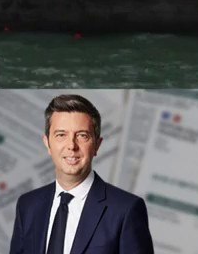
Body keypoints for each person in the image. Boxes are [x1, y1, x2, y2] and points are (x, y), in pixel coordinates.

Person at [9, 94, 153, 254]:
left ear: (97, 145)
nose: (71, 145)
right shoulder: (28, 206)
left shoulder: (126, 210)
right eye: (61, 135)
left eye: (82, 136)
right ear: (47, 144)